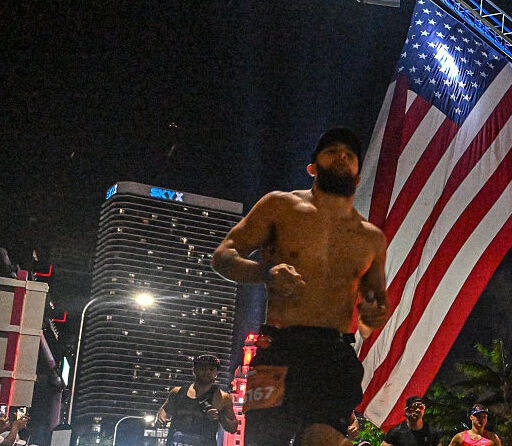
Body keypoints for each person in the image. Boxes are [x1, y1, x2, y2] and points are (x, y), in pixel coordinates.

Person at [211, 127, 390, 446]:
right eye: (331, 151)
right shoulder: (279, 206)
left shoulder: (370, 238)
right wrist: (265, 272)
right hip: (277, 346)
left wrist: (373, 312)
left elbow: (374, 303)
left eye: (349, 156)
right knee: (265, 441)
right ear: (312, 167)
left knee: (320, 438)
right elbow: (223, 255)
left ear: (358, 176)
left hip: (332, 353)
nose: (341, 158)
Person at [156, 355, 239, 446]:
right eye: (203, 368)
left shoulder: (223, 397)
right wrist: (161, 418)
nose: (207, 372)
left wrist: (220, 417)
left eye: (211, 369)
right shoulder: (177, 392)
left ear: (216, 373)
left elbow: (233, 427)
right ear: (194, 370)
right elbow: (165, 409)